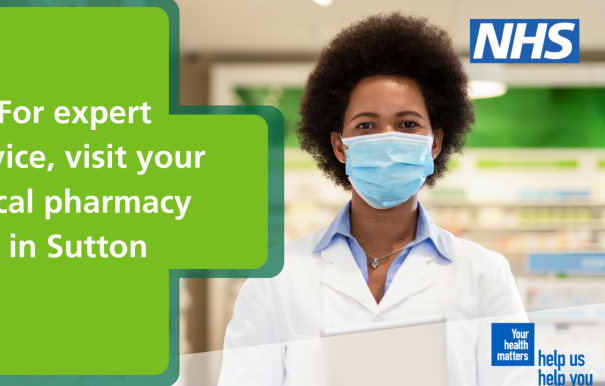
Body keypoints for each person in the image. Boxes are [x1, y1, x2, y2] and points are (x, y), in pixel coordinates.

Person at [218, 13, 529, 386]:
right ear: (339, 146)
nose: (387, 137)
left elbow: (518, 378)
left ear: (435, 143)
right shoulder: (275, 277)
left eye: (407, 124)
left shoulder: (488, 274)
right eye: (366, 125)